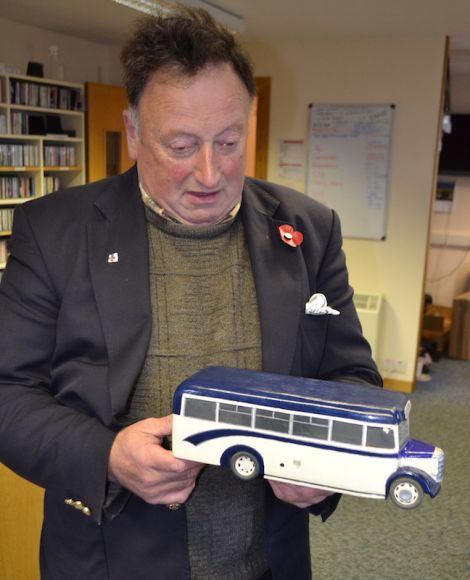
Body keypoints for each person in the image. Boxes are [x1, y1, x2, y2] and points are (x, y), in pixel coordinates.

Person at [0, 6, 381, 580]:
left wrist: (326, 463)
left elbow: (353, 378)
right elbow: (8, 394)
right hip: (110, 559)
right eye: (180, 146)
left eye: (229, 141)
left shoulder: (309, 229)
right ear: (132, 132)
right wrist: (105, 456)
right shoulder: (53, 231)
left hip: (268, 559)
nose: (210, 173)